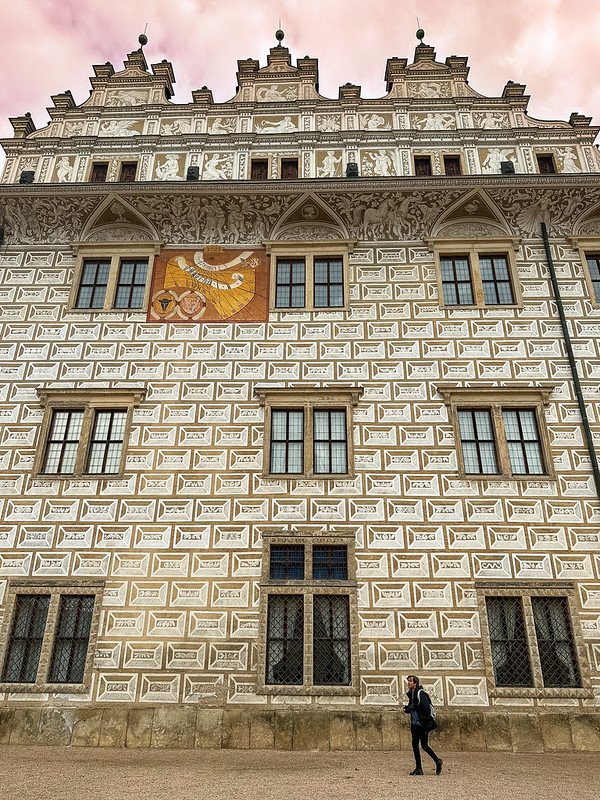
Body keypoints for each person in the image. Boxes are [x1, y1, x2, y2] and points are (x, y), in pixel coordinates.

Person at [402, 674, 443, 776]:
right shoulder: (411, 694)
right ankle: (419, 768)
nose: (409, 683)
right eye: (408, 681)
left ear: (415, 683)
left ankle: (437, 760)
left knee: (424, 746)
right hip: (414, 724)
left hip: (421, 724)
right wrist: (407, 709)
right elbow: (413, 708)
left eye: (410, 681)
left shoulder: (421, 693)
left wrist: (421, 721)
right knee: (415, 745)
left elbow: (426, 709)